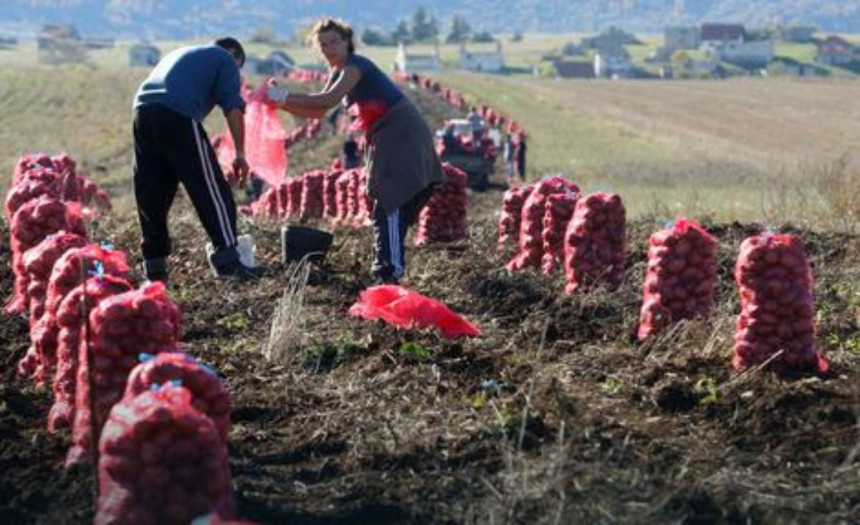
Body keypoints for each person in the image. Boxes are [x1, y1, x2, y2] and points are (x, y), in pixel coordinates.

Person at [265, 17, 442, 285]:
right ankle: (387, 265)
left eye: (334, 42)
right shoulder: (338, 73)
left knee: (389, 197)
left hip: (400, 132)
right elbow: (319, 112)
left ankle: (388, 272)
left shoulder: (356, 66)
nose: (329, 49)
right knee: (387, 200)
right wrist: (281, 104)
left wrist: (285, 97)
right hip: (383, 135)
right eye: (323, 45)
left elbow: (328, 100)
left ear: (348, 42)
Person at [132, 37, 261, 283]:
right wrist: (241, 154)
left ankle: (154, 267)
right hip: (176, 113)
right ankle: (228, 260)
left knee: (152, 190)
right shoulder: (226, 59)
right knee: (209, 186)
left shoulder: (183, 53)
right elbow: (233, 107)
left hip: (142, 111)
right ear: (234, 57)